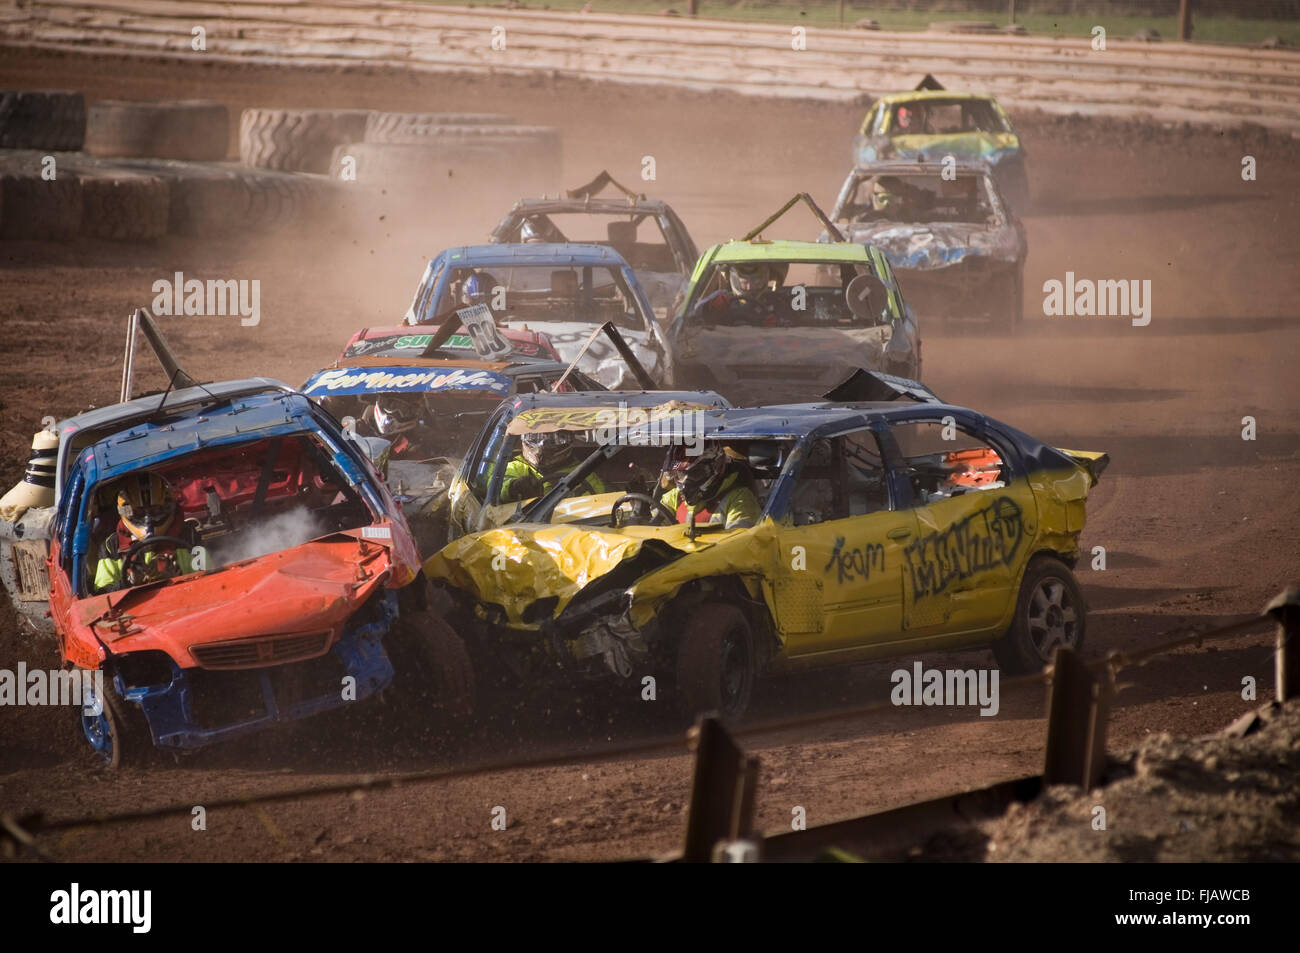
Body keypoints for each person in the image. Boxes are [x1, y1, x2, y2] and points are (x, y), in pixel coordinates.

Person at [94, 471, 195, 592]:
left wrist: (178, 575)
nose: (148, 519)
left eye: (154, 510)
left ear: (167, 507)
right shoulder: (111, 546)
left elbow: (210, 576)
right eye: (140, 512)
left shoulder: (188, 534)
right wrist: (130, 581)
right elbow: (102, 592)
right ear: (127, 511)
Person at [660, 444, 760, 530]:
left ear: (714, 468)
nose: (685, 482)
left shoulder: (740, 500)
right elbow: (653, 525)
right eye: (680, 474)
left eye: (694, 473)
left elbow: (740, 544)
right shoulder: (675, 496)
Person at [500, 430, 606, 503]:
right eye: (535, 437)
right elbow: (497, 488)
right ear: (523, 438)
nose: (542, 444)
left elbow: (598, 506)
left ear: (568, 439)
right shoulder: (513, 467)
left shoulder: (583, 472)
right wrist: (513, 487)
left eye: (554, 439)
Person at [367, 393, 436, 458]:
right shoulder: (363, 426)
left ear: (414, 412)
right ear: (382, 401)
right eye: (391, 405)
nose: (394, 413)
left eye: (403, 409)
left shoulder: (418, 446)